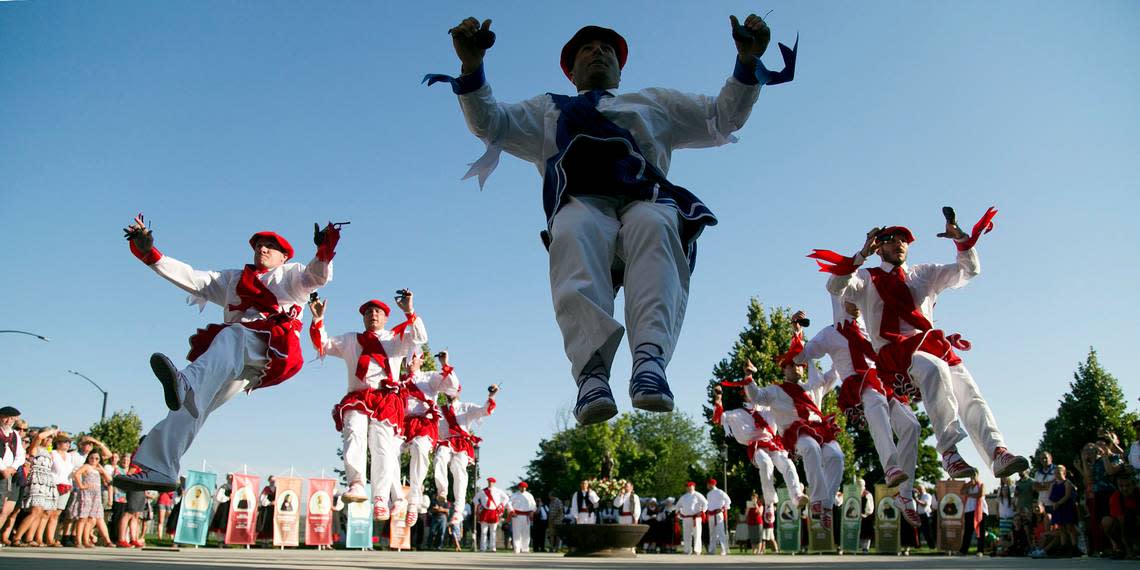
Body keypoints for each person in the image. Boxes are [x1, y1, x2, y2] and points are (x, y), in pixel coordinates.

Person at [434, 13, 790, 426]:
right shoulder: (547, 111)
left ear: (621, 68)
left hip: (644, 202)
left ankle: (650, 360)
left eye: (607, 49)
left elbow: (722, 117)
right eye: (587, 48)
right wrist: (472, 66)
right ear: (570, 71)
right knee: (572, 227)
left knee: (655, 223)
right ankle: (591, 375)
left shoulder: (654, 103)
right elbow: (490, 123)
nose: (598, 52)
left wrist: (746, 63)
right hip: (584, 208)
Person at [116, 215, 339, 491]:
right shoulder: (232, 279)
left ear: (284, 256)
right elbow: (191, 277)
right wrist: (150, 253)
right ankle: (162, 468)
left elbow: (316, 276)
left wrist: (324, 251)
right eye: (259, 245)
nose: (263, 249)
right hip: (236, 358)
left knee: (231, 334)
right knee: (193, 404)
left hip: (274, 349)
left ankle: (186, 382)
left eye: (271, 246)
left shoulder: (290, 274)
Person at [821, 215, 1029, 480]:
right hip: (894, 354)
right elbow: (835, 286)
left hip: (931, 345)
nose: (899, 244)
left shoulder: (924, 274)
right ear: (879, 247)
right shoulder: (866, 278)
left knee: (969, 392)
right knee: (934, 368)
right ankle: (949, 451)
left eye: (904, 240)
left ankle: (997, 453)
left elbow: (968, 271)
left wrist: (961, 240)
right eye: (892, 240)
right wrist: (861, 254)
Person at [793, 300, 922, 527]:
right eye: (851, 299)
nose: (858, 303)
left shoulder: (871, 326)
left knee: (912, 426)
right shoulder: (830, 333)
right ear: (840, 302)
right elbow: (801, 357)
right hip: (859, 383)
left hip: (884, 379)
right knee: (875, 402)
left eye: (859, 298)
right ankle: (891, 466)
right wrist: (796, 331)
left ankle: (905, 494)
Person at [309, 292, 425, 520]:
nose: (373, 314)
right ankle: (357, 483)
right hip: (358, 396)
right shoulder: (351, 339)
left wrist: (409, 311)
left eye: (378, 312)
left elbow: (420, 337)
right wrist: (318, 320)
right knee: (353, 432)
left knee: (381, 446)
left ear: (385, 317)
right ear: (363, 318)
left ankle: (381, 497)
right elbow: (322, 345)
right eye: (368, 312)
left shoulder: (395, 338)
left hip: (385, 398)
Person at [740, 333, 844, 532]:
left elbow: (835, 373)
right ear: (784, 369)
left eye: (799, 365)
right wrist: (749, 377)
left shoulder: (813, 387)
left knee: (836, 456)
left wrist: (839, 350)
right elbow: (756, 397)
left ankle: (827, 505)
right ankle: (817, 500)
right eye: (792, 365)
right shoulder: (776, 391)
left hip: (820, 430)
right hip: (795, 434)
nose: (796, 368)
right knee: (811, 448)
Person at [712, 379, 804, 519]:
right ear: (744, 394)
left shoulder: (768, 408)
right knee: (766, 464)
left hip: (773, 443)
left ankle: (797, 495)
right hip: (756, 445)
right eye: (749, 392)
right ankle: (769, 504)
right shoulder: (738, 413)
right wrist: (718, 398)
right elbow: (719, 418)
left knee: (787, 463)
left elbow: (785, 406)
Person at [401, 349, 460, 526]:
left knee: (419, 449)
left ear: (422, 359)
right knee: (385, 451)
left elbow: (453, 386)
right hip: (402, 423)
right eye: (406, 358)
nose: (409, 361)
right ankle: (393, 497)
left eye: (413, 357)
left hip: (424, 424)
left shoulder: (430, 377)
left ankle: (413, 501)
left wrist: (444, 364)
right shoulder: (398, 380)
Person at [434, 385, 498, 523]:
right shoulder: (439, 409)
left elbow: (484, 411)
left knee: (458, 470)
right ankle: (442, 491)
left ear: (458, 391)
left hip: (462, 442)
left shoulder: (466, 407)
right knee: (439, 457)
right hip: (446, 441)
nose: (450, 392)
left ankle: (458, 509)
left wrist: (491, 395)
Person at [11, 427, 57, 546]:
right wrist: (52, 431)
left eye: (51, 438)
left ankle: (29, 538)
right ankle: (17, 537)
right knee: (35, 510)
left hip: (46, 481)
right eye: (49, 437)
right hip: (37, 480)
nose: (50, 440)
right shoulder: (35, 448)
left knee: (40, 511)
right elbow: (39, 437)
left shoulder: (48, 451)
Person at [68, 451, 111, 548]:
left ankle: (86, 540)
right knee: (83, 517)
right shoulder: (86, 466)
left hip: (96, 495)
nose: (94, 460)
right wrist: (81, 486)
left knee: (91, 519)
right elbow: (77, 474)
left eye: (97, 458)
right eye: (92, 458)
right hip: (87, 493)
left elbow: (109, 479)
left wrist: (102, 469)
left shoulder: (97, 469)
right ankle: (78, 540)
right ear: (88, 458)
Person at [0, 407, 25, 540]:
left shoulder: (15, 434)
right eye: (6, 417)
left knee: (8, 509)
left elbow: (21, 455)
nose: (9, 420)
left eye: (12, 418)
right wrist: (3, 469)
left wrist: (12, 468)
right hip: (2, 472)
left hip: (12, 473)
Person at [1047, 465, 1079, 555]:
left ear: (1064, 472)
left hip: (1066, 507)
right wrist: (1054, 503)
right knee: (1061, 528)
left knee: (1070, 527)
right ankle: (1063, 546)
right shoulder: (1053, 484)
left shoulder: (1067, 483)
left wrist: (1058, 503)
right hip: (1057, 508)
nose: (1057, 473)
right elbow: (1050, 496)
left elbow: (1067, 495)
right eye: (1055, 471)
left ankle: (1074, 547)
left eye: (1059, 471)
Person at [1105, 472, 1138, 559]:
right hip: (1124, 527)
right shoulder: (1115, 497)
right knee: (1107, 521)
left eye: (1127, 485)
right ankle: (1122, 549)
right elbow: (1121, 523)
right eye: (1121, 486)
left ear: (1134, 485)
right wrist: (1128, 550)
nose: (1124, 488)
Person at [475, 477, 510, 552]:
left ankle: (492, 547)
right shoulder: (482, 491)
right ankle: (483, 547)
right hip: (485, 511)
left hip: (494, 511)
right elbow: (475, 499)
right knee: (483, 531)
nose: (490, 483)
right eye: (489, 481)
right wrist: (479, 505)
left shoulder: (498, 491)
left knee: (493, 531)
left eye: (491, 482)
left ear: (494, 483)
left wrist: (501, 505)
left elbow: (506, 498)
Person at [677, 481, 708, 555]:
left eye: (690, 486)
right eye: (688, 486)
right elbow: (678, 506)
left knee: (697, 534)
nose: (689, 488)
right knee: (686, 534)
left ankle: (697, 550)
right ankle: (687, 549)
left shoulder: (698, 495)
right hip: (686, 518)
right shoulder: (683, 497)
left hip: (696, 518)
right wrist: (679, 513)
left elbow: (705, 503)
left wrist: (702, 511)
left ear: (694, 487)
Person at [959, 475, 986, 555]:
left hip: (980, 510)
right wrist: (968, 485)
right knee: (968, 531)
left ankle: (980, 550)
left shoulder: (981, 484)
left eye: (974, 476)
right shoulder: (968, 485)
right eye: (971, 476)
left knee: (980, 531)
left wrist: (969, 494)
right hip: (969, 510)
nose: (972, 478)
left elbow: (980, 495)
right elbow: (962, 492)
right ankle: (964, 550)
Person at [508, 481, 536, 553]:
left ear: (526, 488)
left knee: (526, 533)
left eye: (524, 487)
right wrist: (512, 511)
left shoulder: (529, 495)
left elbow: (534, 505)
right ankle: (517, 548)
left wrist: (532, 511)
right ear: (519, 487)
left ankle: (525, 549)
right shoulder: (514, 495)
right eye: (521, 487)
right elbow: (508, 504)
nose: (523, 488)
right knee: (517, 532)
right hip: (517, 515)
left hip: (526, 516)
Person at [705, 478, 731, 555]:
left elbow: (728, 501)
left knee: (720, 532)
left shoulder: (720, 492)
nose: (707, 485)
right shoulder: (708, 494)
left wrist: (723, 508)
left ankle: (724, 550)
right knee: (712, 533)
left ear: (711, 484)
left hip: (718, 514)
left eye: (708, 484)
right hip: (711, 514)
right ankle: (712, 550)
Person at [915, 484, 935, 548]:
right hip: (918, 515)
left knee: (927, 532)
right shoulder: (918, 496)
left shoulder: (927, 495)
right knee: (917, 532)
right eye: (918, 489)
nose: (919, 490)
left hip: (925, 515)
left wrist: (917, 500)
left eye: (921, 489)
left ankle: (932, 546)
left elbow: (925, 504)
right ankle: (918, 545)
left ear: (924, 489)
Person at [858, 479, 874, 553]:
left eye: (860, 484)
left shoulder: (867, 494)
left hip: (866, 515)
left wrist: (865, 514)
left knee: (866, 532)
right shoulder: (854, 493)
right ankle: (859, 547)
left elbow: (870, 507)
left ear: (863, 485)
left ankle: (865, 548)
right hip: (856, 516)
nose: (858, 485)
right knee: (859, 531)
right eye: (857, 484)